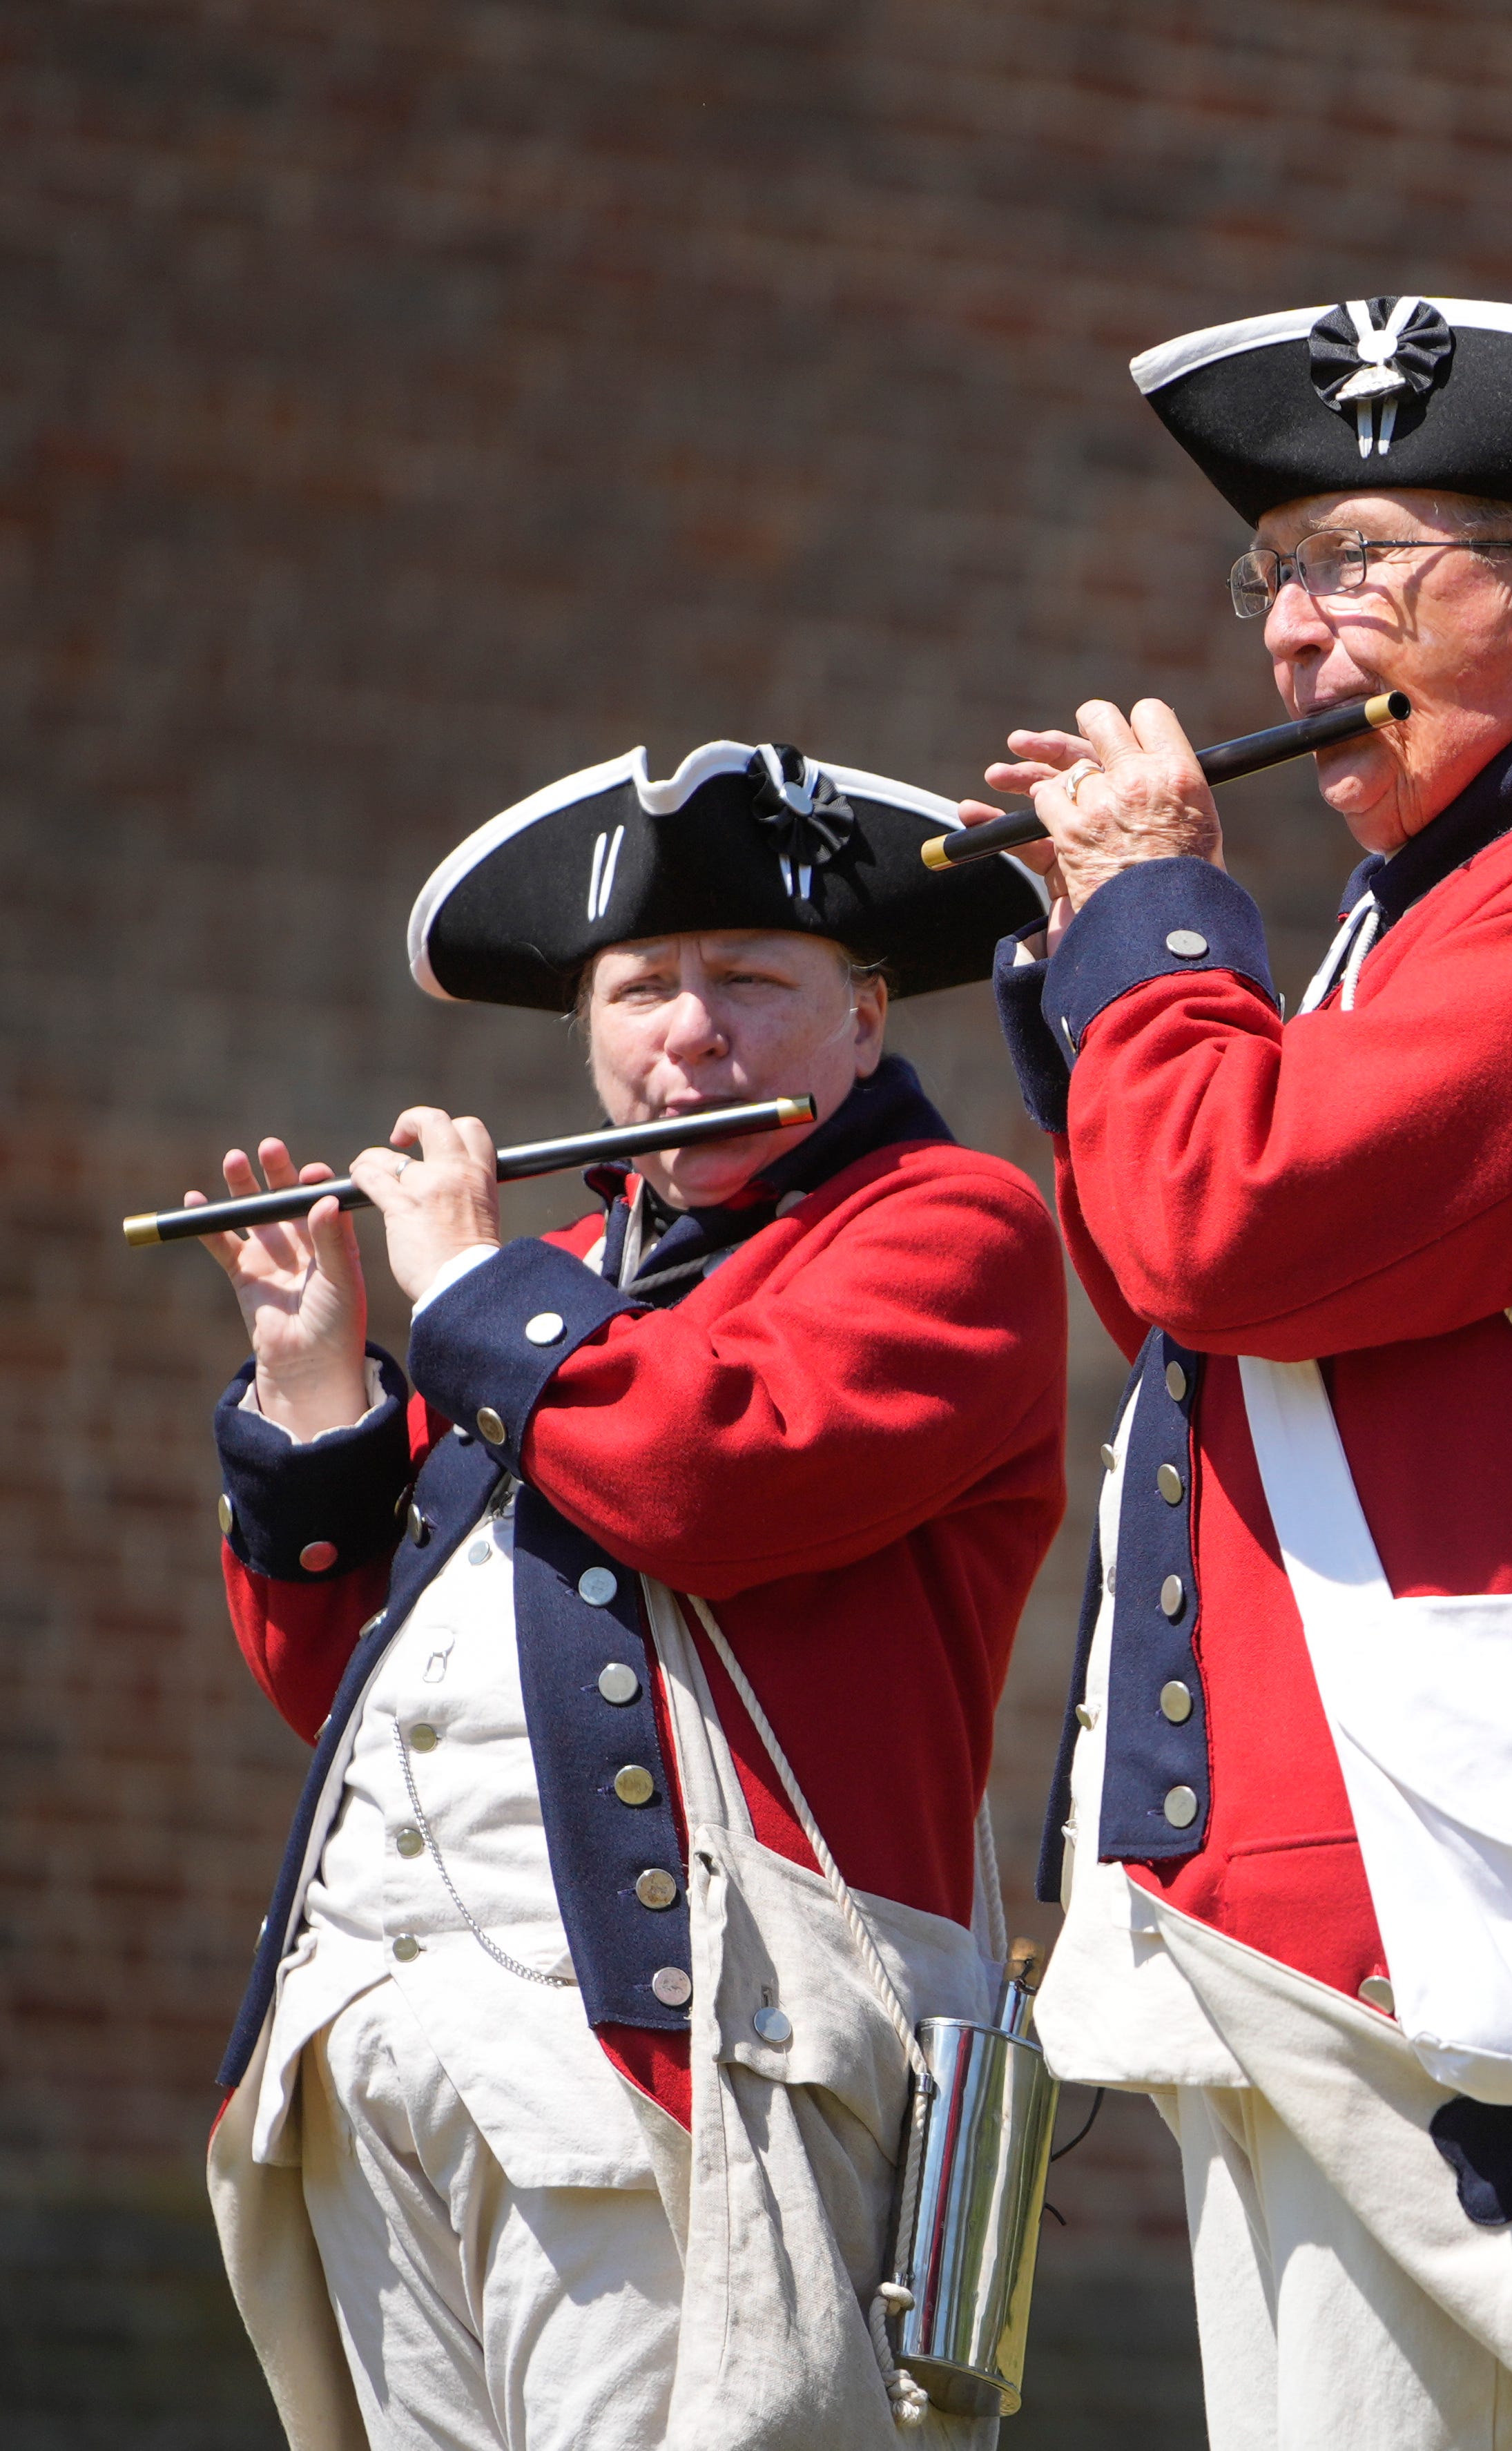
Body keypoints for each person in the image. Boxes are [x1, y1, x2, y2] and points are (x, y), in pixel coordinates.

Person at [980, 295, 1512, 2449]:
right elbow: (1212, 1308)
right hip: (1351, 1852)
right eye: (1271, 574)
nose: (1290, 630)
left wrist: (1156, 933)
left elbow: (1233, 1223)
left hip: (1463, 1866)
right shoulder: (1451, 888)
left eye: (1349, 563)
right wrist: (1106, 998)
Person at [192, 741, 1067, 2450]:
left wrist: (470, 1291)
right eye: (643, 988)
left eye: (750, 980)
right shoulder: (546, 1289)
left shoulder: (945, 1226)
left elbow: (703, 1483)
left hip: (675, 2061)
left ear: (863, 1017)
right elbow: (357, 1689)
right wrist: (314, 1391)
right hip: (377, 2053)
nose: (691, 1033)